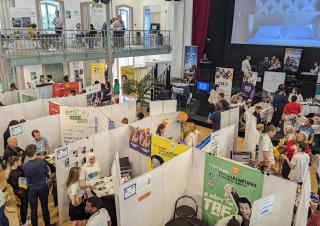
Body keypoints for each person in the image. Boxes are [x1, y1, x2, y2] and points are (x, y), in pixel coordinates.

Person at [22, 144, 51, 226]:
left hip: (31, 188)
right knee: (45, 207)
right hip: (42, 186)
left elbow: (24, 178)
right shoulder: (42, 162)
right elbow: (47, 173)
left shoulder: (24, 166)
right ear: (35, 153)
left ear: (27, 155)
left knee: (33, 210)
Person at [7, 156, 30, 226]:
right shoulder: (20, 173)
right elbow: (24, 185)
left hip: (15, 191)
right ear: (15, 163)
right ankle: (24, 222)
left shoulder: (9, 172)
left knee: (22, 206)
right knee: (24, 206)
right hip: (22, 192)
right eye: (19, 161)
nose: (21, 162)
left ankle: (22, 219)